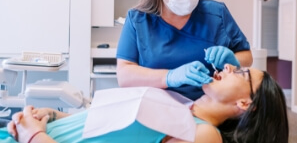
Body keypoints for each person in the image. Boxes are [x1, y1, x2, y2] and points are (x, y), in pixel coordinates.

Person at [1, 64, 288, 143]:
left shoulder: (204, 135)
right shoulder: (179, 105)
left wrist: (34, 136)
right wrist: (52, 116)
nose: (228, 65)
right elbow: (103, 128)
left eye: (240, 72)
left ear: (245, 103)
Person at [116, 0, 253, 100]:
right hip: (155, 109)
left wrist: (233, 61)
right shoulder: (138, 20)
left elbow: (247, 56)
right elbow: (124, 75)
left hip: (206, 108)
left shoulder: (217, 14)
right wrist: (169, 77)